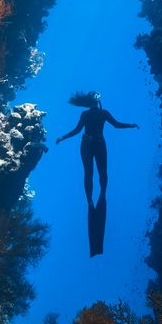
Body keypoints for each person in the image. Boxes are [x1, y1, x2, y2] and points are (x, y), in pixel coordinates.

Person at [55, 91, 138, 257]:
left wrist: (130, 125)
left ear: (97, 101)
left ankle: (101, 195)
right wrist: (63, 137)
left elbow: (116, 125)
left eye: (96, 98)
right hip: (87, 144)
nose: (95, 101)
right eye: (94, 98)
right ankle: (90, 200)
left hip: (99, 144)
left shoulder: (104, 113)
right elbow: (77, 130)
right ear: (91, 101)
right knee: (89, 173)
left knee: (103, 174)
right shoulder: (85, 114)